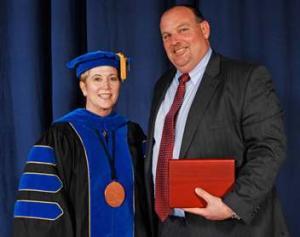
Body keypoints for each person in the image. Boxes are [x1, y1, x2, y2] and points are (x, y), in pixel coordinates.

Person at [144, 5, 289, 237]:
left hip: (232, 227)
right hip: (170, 226)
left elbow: (269, 149)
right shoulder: (162, 86)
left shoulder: (246, 79)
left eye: (183, 30)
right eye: (166, 36)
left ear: (205, 29)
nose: (175, 41)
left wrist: (232, 205)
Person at [13, 50, 150, 237]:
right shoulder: (61, 136)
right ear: (83, 87)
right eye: (97, 79)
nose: (106, 87)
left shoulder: (133, 134)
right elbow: (42, 210)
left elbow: (147, 199)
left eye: (113, 78)